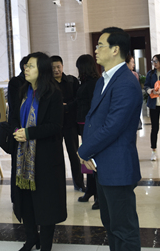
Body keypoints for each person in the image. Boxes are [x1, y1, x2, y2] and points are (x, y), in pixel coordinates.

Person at [78, 27, 143, 251]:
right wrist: (89, 151)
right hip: (103, 164)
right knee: (111, 224)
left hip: (118, 167)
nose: (95, 50)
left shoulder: (125, 82)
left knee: (123, 228)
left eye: (100, 45)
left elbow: (113, 126)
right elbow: (93, 119)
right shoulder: (103, 81)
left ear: (115, 50)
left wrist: (84, 150)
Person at [10, 52, 67, 251]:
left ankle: (45, 245)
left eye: (31, 66)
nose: (26, 69)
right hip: (22, 157)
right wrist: (17, 130)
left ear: (42, 70)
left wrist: (29, 133)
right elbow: (13, 117)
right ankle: (31, 238)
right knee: (26, 201)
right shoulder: (23, 91)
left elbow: (55, 126)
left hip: (45, 158)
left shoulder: (53, 93)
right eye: (26, 66)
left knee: (45, 203)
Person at [50, 55, 85, 192]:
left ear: (62, 66)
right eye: (53, 68)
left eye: (58, 67)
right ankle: (58, 185)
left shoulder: (72, 81)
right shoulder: (48, 84)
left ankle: (79, 183)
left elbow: (79, 99)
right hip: (55, 126)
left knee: (74, 155)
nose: (56, 70)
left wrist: (67, 107)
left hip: (70, 124)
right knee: (56, 157)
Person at [74, 54, 100, 209]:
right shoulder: (85, 82)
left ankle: (98, 195)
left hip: (90, 125)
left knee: (93, 158)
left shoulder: (94, 83)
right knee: (87, 157)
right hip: (83, 124)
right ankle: (90, 189)